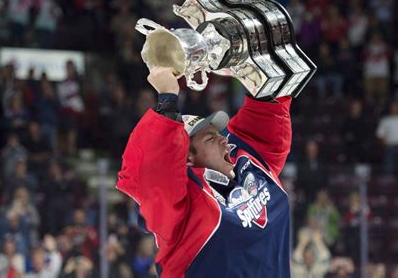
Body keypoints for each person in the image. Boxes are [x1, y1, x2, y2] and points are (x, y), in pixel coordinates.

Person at [117, 67, 294, 277]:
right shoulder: (181, 206)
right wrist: (167, 100)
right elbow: (155, 174)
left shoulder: (246, 163)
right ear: (188, 157)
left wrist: (261, 80)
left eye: (218, 134)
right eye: (210, 139)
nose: (223, 139)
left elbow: (264, 125)